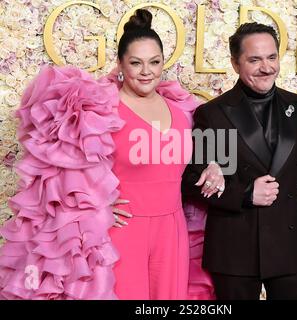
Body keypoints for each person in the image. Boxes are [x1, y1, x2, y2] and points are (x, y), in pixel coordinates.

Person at [0, 9, 220, 300]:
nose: (146, 71)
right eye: (136, 63)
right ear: (120, 64)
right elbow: (63, 175)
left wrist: (214, 163)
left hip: (172, 230)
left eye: (154, 62)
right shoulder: (101, 111)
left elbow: (192, 159)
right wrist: (95, 210)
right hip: (124, 231)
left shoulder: (182, 110)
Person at [182, 22, 297, 300]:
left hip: (290, 248)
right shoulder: (213, 114)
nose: (266, 67)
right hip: (234, 250)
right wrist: (246, 194)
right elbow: (193, 181)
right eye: (254, 59)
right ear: (235, 63)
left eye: (271, 57)